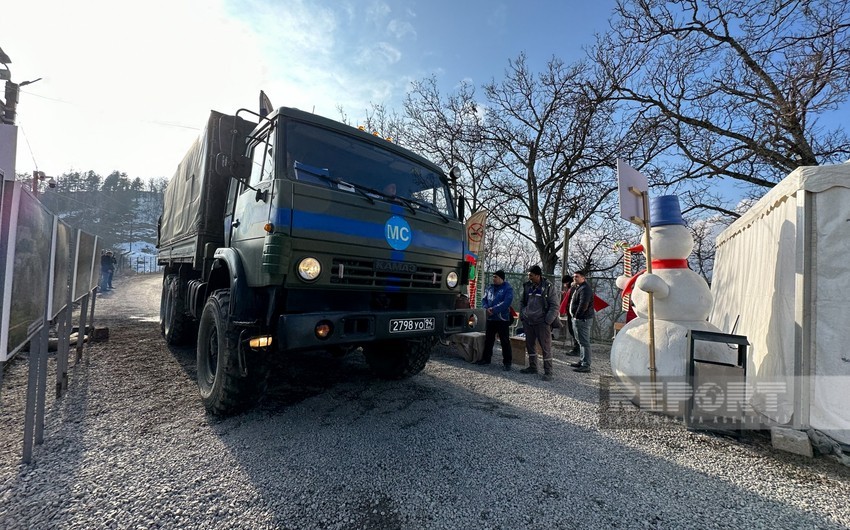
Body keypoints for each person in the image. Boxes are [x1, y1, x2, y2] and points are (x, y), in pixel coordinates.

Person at [518, 265, 560, 381]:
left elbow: (555, 305)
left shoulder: (548, 287)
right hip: (528, 321)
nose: (529, 277)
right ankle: (533, 367)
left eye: (531, 275)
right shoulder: (527, 286)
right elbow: (523, 301)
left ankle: (548, 372)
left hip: (542, 322)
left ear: (538, 275)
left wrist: (547, 321)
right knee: (530, 345)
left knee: (545, 347)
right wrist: (523, 315)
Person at [478, 270, 514, 370]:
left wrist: (494, 310)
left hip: (502, 318)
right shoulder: (490, 288)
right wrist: (486, 308)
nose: (494, 279)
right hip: (490, 318)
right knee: (489, 339)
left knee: (504, 341)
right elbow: (484, 300)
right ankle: (486, 359)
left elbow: (506, 303)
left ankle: (507, 362)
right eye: (493, 277)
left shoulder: (508, 288)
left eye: (496, 277)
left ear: (501, 278)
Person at [568, 270, 596, 373]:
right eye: (574, 277)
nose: (574, 278)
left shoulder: (585, 289)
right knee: (580, 341)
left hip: (582, 319)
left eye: (577, 277)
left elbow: (583, 305)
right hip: (579, 318)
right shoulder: (579, 287)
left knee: (584, 342)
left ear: (583, 278)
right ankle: (582, 361)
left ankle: (586, 365)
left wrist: (576, 316)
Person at [558, 276, 579, 356]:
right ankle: (576, 348)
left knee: (573, 331)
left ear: (567, 282)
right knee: (573, 331)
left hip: (573, 314)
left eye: (564, 283)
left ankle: (576, 349)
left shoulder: (573, 289)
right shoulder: (573, 289)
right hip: (573, 313)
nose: (564, 285)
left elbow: (572, 300)